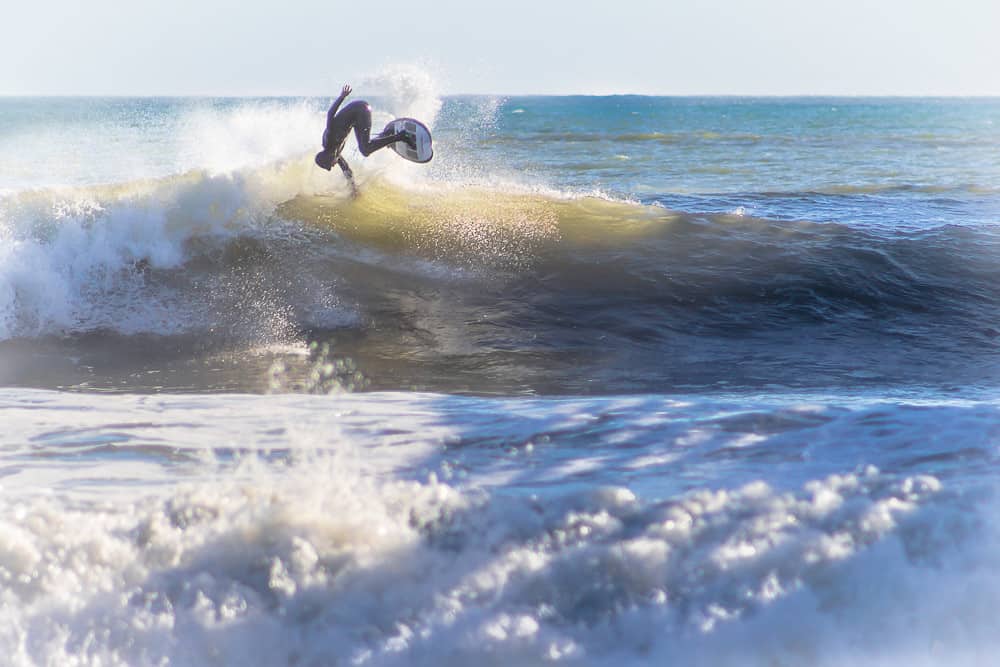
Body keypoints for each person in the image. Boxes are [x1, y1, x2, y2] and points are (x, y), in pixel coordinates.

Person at [314, 84, 414, 185]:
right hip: (355, 120)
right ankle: (388, 134)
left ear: (328, 158)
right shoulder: (335, 153)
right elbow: (346, 169)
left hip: (360, 109)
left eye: (329, 166)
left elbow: (330, 114)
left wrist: (342, 96)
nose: (331, 168)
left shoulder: (329, 139)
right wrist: (353, 188)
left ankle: (401, 136)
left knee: (365, 148)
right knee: (365, 148)